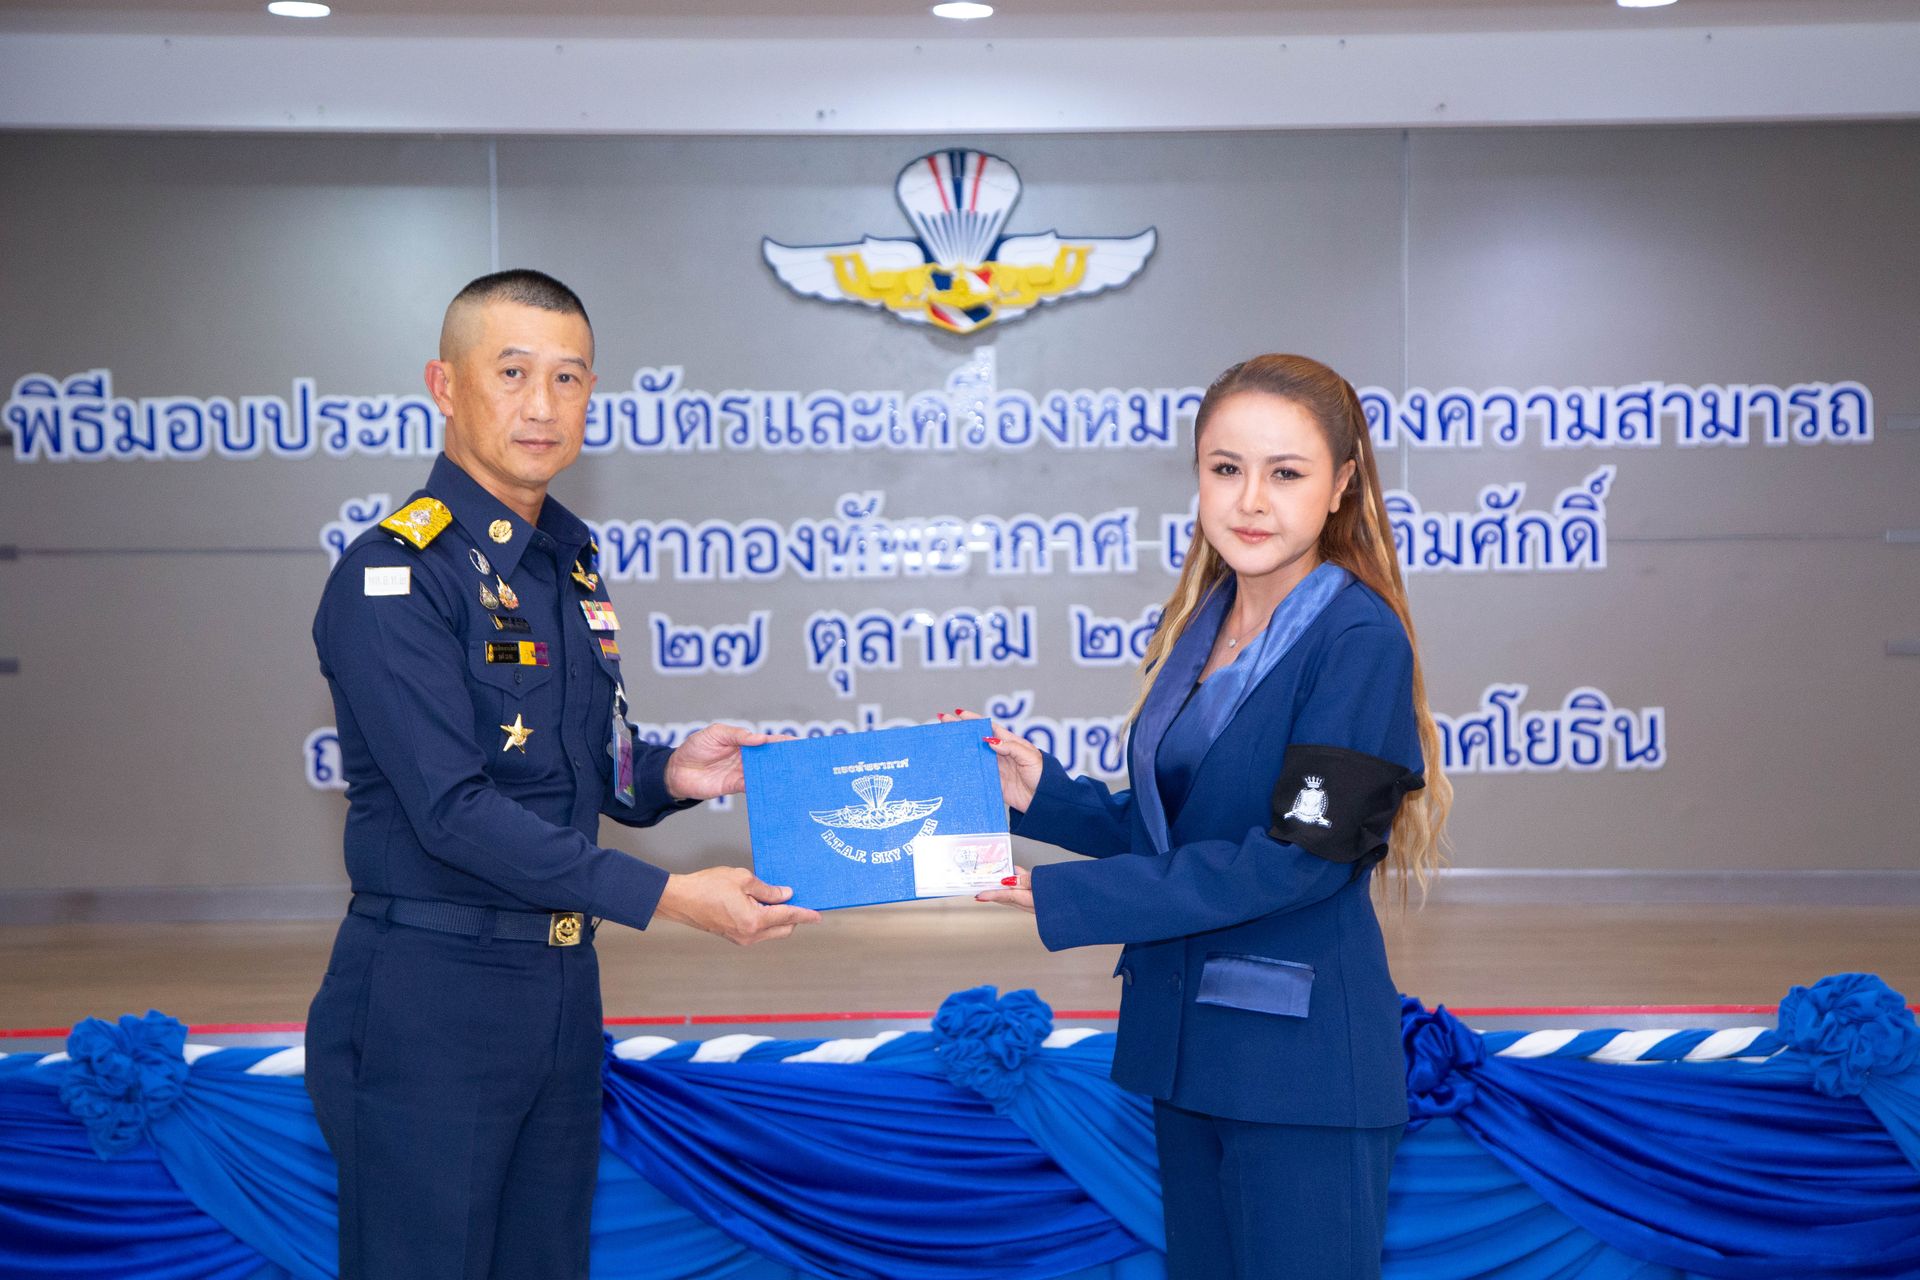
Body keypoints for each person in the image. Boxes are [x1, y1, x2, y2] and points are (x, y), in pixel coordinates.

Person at [305, 269, 820, 1280]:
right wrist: (668, 896)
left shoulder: (566, 562)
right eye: (512, 373)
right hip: (432, 1001)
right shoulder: (393, 576)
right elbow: (454, 810)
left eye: (569, 377)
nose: (542, 404)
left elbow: (573, 762)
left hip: (559, 992)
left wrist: (674, 774)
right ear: (445, 386)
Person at [972, 353, 1451, 1279]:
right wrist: (1046, 797)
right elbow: (1184, 832)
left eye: (1286, 473)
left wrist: (1073, 897)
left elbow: (1298, 861)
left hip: (1299, 1068)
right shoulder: (1208, 621)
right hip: (1188, 1053)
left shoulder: (1357, 637)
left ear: (1342, 486)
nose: (1251, 501)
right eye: (1226, 468)